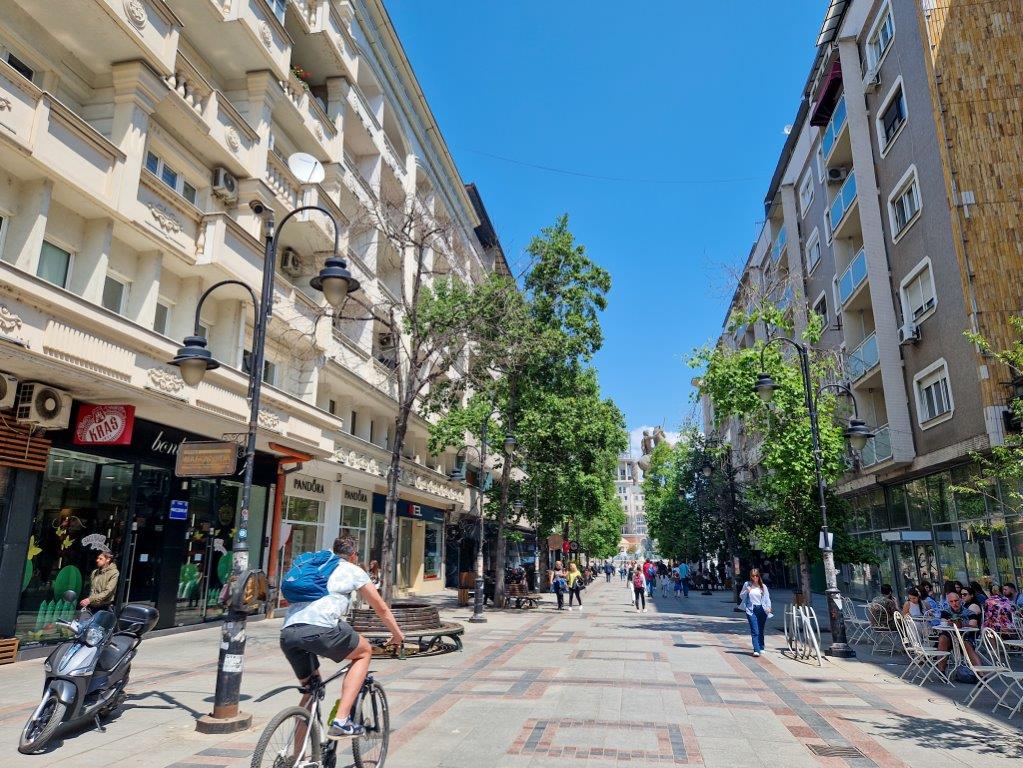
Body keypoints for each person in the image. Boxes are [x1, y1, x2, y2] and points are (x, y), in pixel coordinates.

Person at [279, 536, 404, 739]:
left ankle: (296, 758)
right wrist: (397, 634)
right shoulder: (353, 571)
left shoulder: (316, 565)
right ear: (354, 555)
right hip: (322, 629)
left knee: (311, 690)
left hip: (288, 633)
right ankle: (341, 721)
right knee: (364, 652)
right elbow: (380, 607)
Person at [936, 589, 983, 673]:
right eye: (951, 601)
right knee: (942, 638)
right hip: (950, 638)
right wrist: (950, 623)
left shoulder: (969, 612)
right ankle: (941, 671)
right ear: (948, 602)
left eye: (956, 601)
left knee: (966, 644)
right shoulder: (945, 612)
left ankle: (981, 674)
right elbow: (943, 623)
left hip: (966, 636)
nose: (954, 603)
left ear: (960, 600)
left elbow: (974, 624)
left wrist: (962, 625)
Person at [740, 568, 772, 657]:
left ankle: (761, 647)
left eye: (756, 575)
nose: (755, 577)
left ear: (759, 576)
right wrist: (747, 591)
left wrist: (769, 607)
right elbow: (741, 596)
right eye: (753, 576)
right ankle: (756, 650)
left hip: (762, 609)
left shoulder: (763, 586)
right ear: (750, 576)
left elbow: (767, 598)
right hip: (751, 609)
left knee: (761, 629)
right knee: (755, 630)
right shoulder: (747, 584)